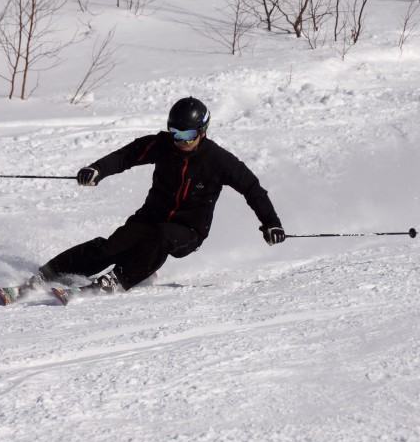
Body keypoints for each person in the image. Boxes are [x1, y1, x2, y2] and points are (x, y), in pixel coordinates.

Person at [26, 96, 285, 294]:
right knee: (112, 246)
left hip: (188, 229)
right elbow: (126, 156)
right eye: (176, 134)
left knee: (162, 237)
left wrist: (271, 223)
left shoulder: (218, 161)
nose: (181, 141)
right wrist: (97, 169)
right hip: (150, 217)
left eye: (188, 135)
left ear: (203, 131)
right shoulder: (162, 145)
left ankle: (118, 280)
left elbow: (252, 188)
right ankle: (50, 273)